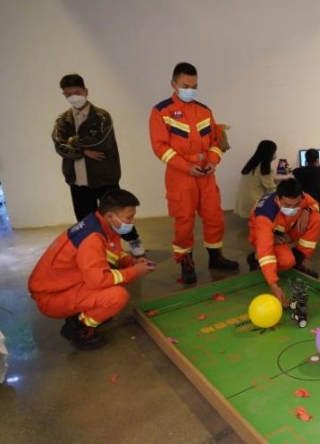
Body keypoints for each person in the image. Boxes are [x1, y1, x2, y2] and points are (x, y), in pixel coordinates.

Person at [27, 189, 155, 349]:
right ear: (110, 216)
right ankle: (79, 328)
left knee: (118, 278)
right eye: (129, 217)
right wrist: (135, 271)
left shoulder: (102, 224)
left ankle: (87, 312)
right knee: (117, 296)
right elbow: (98, 281)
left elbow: (113, 252)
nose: (132, 221)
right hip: (51, 297)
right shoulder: (92, 238)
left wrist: (131, 262)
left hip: (62, 286)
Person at [149, 62, 239, 284]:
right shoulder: (161, 111)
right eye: (186, 86)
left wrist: (213, 161)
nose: (190, 90)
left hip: (206, 173)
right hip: (181, 177)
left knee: (214, 216)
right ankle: (186, 263)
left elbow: (216, 141)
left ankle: (215, 257)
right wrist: (186, 167)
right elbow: (160, 147)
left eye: (194, 86)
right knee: (184, 221)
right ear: (173, 84)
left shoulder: (204, 111)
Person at [52, 74, 145, 257]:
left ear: (86, 91)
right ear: (64, 95)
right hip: (78, 180)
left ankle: (133, 240)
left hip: (104, 176)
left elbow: (101, 142)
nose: (73, 97)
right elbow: (59, 146)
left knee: (118, 213)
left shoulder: (102, 116)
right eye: (68, 94)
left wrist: (72, 141)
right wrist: (83, 152)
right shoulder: (62, 120)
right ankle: (95, 249)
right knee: (85, 219)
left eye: (77, 92)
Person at [247, 179, 320, 306]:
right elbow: (266, 251)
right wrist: (274, 285)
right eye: (287, 205)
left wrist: (307, 211)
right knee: (286, 261)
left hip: (286, 230)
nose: (292, 208)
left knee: (317, 219)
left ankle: (299, 261)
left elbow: (314, 204)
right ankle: (255, 259)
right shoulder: (265, 214)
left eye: (296, 205)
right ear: (278, 199)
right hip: (263, 235)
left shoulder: (300, 196)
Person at [235, 140, 277, 218]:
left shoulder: (253, 164)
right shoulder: (263, 167)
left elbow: (263, 178)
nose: (275, 154)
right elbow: (271, 188)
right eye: (275, 151)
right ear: (270, 153)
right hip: (253, 202)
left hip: (244, 200)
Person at [292, 148, 320, 214]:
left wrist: (306, 166)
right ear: (317, 160)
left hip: (307, 206)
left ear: (306, 160)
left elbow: (294, 171)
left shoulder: (299, 172)